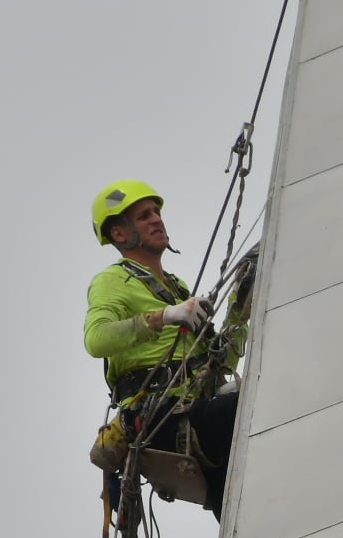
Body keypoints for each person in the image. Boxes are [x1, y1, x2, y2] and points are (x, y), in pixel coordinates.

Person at [83, 179, 257, 518]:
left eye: (156, 212)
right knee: (259, 403)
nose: (156, 219)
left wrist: (240, 312)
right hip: (162, 419)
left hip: (197, 411)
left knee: (243, 508)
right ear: (119, 233)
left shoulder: (177, 289)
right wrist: (163, 317)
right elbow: (96, 339)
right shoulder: (113, 280)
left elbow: (218, 363)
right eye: (144, 216)